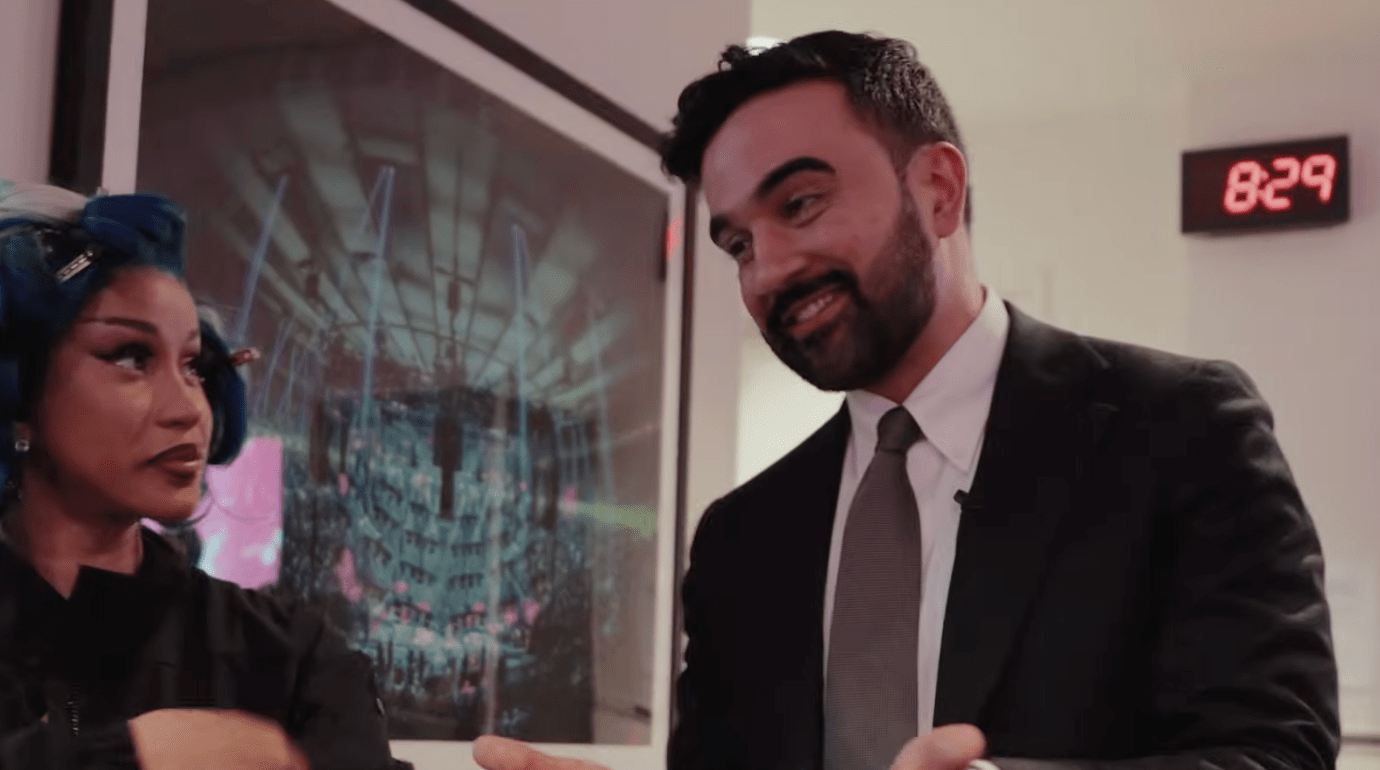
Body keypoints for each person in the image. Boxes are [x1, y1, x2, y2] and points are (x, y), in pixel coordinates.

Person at [472, 30, 1338, 770]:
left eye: (800, 203)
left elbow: (1275, 751)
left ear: (939, 189)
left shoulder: (1180, 431)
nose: (767, 272)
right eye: (738, 244)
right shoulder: (741, 539)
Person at [0, 181, 409, 770]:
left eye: (193, 365)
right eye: (131, 357)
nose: (189, 408)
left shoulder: (295, 659)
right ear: (19, 391)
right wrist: (132, 757)